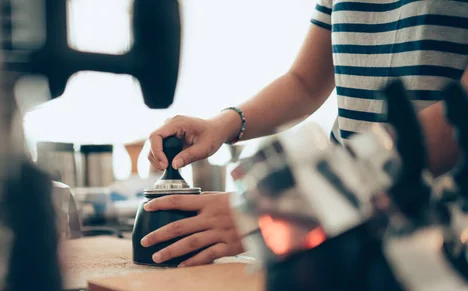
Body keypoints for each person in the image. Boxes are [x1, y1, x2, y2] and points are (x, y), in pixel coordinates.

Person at [140, 0, 468, 267]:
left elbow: (459, 115)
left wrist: (278, 209)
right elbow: (305, 83)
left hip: (444, 235)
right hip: (353, 228)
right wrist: (222, 125)